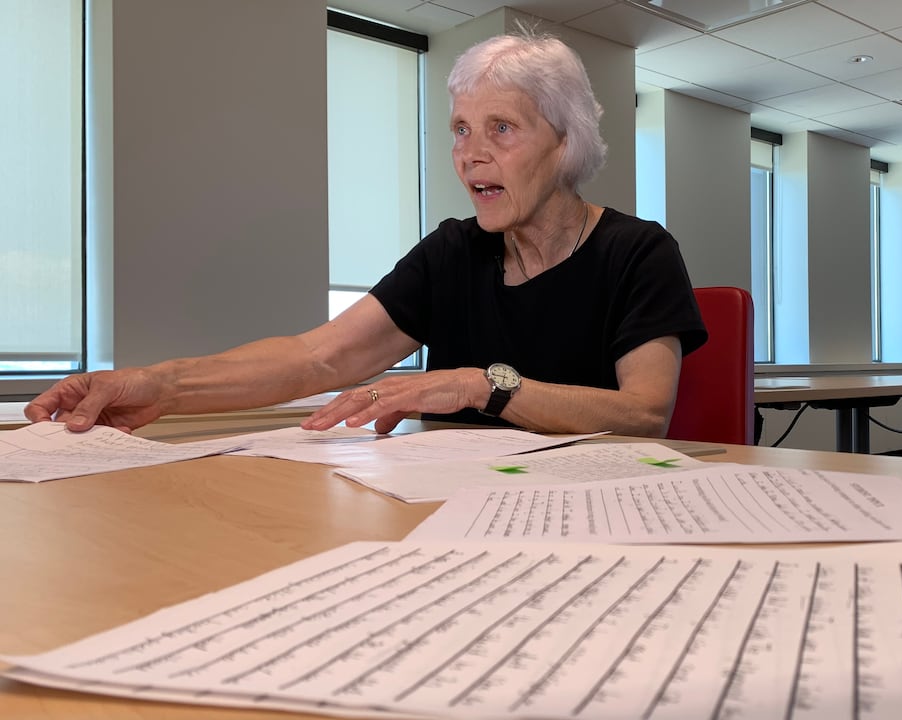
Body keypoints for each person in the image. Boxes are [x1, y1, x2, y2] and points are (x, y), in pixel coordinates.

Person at [25, 31, 707, 438]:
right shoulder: (453, 251)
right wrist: (161, 384)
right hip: (453, 519)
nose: (470, 154)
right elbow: (314, 359)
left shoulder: (637, 252)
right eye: (460, 131)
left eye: (501, 129)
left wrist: (481, 385)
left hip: (593, 518)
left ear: (565, 144)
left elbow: (644, 414)